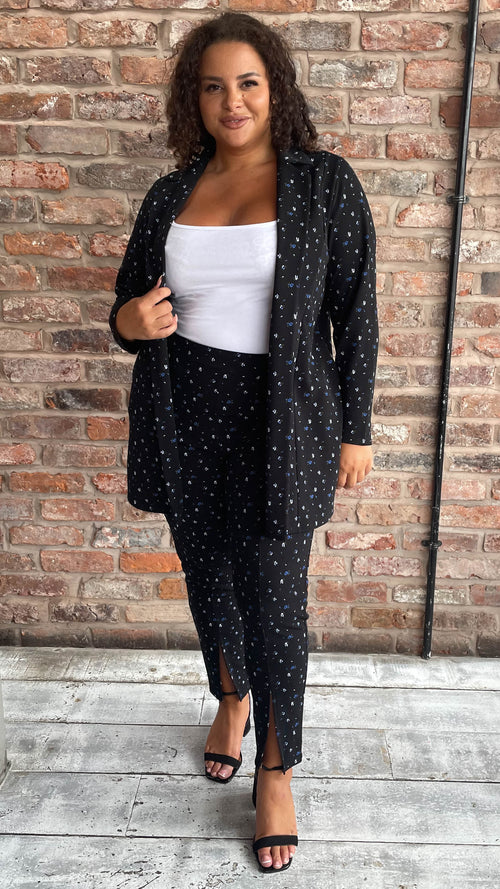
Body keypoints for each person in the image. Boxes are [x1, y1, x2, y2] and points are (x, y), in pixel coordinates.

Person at [109, 10, 378, 873]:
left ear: (275, 89)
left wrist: (357, 429)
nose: (233, 100)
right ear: (195, 99)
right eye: (214, 86)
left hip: (282, 419)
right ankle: (230, 697)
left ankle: (277, 767)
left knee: (276, 597)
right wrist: (129, 322)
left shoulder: (324, 183)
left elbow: (355, 313)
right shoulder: (170, 194)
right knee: (208, 577)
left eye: (249, 82)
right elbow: (128, 304)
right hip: (183, 409)